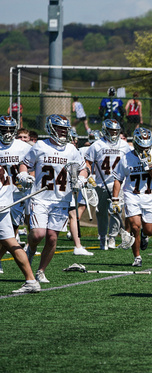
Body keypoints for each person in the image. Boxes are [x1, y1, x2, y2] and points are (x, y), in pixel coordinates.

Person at [17, 114, 89, 284]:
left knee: (52, 237)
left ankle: (41, 271)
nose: (63, 132)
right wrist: (23, 174)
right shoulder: (40, 146)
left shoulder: (72, 149)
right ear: (51, 128)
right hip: (40, 198)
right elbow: (25, 163)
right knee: (37, 234)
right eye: (60, 128)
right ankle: (31, 249)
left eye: (65, 128)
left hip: (61, 199)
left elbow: (83, 169)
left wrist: (82, 179)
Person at [112, 127, 152, 267]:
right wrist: (115, 199)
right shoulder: (126, 158)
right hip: (132, 196)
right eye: (142, 147)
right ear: (135, 144)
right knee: (135, 226)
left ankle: (144, 236)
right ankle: (137, 257)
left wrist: (150, 168)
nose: (144, 150)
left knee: (150, 230)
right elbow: (118, 179)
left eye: (147, 147)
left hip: (150, 197)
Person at [0, 118, 40, 293]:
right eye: (4, 129)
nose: (7, 133)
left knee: (10, 240)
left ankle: (31, 280)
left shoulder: (24, 147)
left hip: (11, 196)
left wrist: (29, 176)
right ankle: (31, 280)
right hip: (5, 195)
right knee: (9, 240)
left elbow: (37, 164)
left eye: (10, 129)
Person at [85, 119, 133, 251]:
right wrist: (89, 176)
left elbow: (129, 161)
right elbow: (87, 162)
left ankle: (112, 237)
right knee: (101, 213)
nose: (113, 133)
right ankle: (102, 237)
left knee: (116, 210)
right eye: (111, 130)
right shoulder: (97, 145)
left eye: (115, 131)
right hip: (101, 183)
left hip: (118, 183)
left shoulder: (124, 145)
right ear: (105, 130)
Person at [66, 128, 95, 256]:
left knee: (73, 215)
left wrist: (82, 179)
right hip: (53, 190)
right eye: (71, 139)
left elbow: (84, 168)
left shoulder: (76, 151)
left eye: (74, 139)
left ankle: (77, 246)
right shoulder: (53, 150)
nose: (74, 141)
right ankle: (30, 245)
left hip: (68, 189)